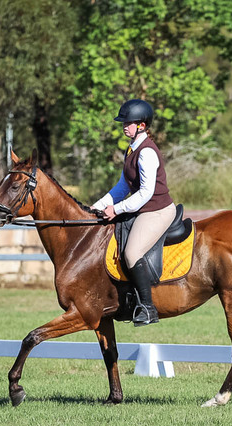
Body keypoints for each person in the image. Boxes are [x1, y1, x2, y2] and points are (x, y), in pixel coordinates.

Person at [92, 99, 176, 326]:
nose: (124, 126)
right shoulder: (132, 149)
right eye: (124, 122)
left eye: (128, 123)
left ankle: (148, 308)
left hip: (157, 210)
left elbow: (146, 193)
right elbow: (122, 188)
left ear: (142, 125)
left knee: (132, 252)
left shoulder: (147, 152)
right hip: (143, 208)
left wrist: (116, 209)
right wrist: (97, 207)